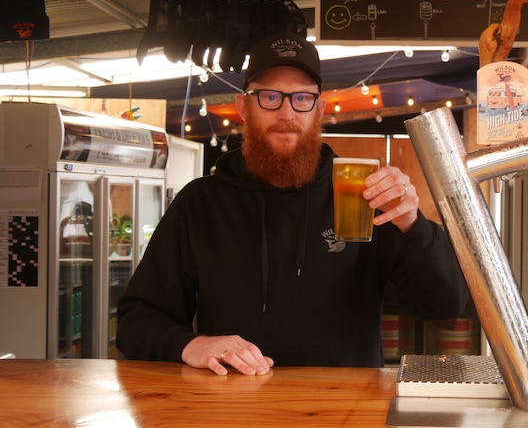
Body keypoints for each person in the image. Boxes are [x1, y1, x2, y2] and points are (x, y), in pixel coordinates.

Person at [117, 31, 470, 375]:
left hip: (345, 417)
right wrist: (190, 345)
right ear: (243, 106)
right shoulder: (200, 203)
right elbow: (136, 321)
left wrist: (413, 225)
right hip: (232, 413)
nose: (287, 114)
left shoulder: (360, 195)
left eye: (302, 98)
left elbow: (444, 306)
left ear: (319, 109)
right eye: (270, 97)